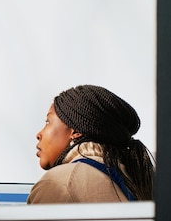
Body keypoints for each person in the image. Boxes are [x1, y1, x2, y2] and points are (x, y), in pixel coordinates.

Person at [27, 84, 155, 204]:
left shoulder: (58, 183)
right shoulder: (133, 178)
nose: (39, 134)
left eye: (48, 122)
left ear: (75, 131)